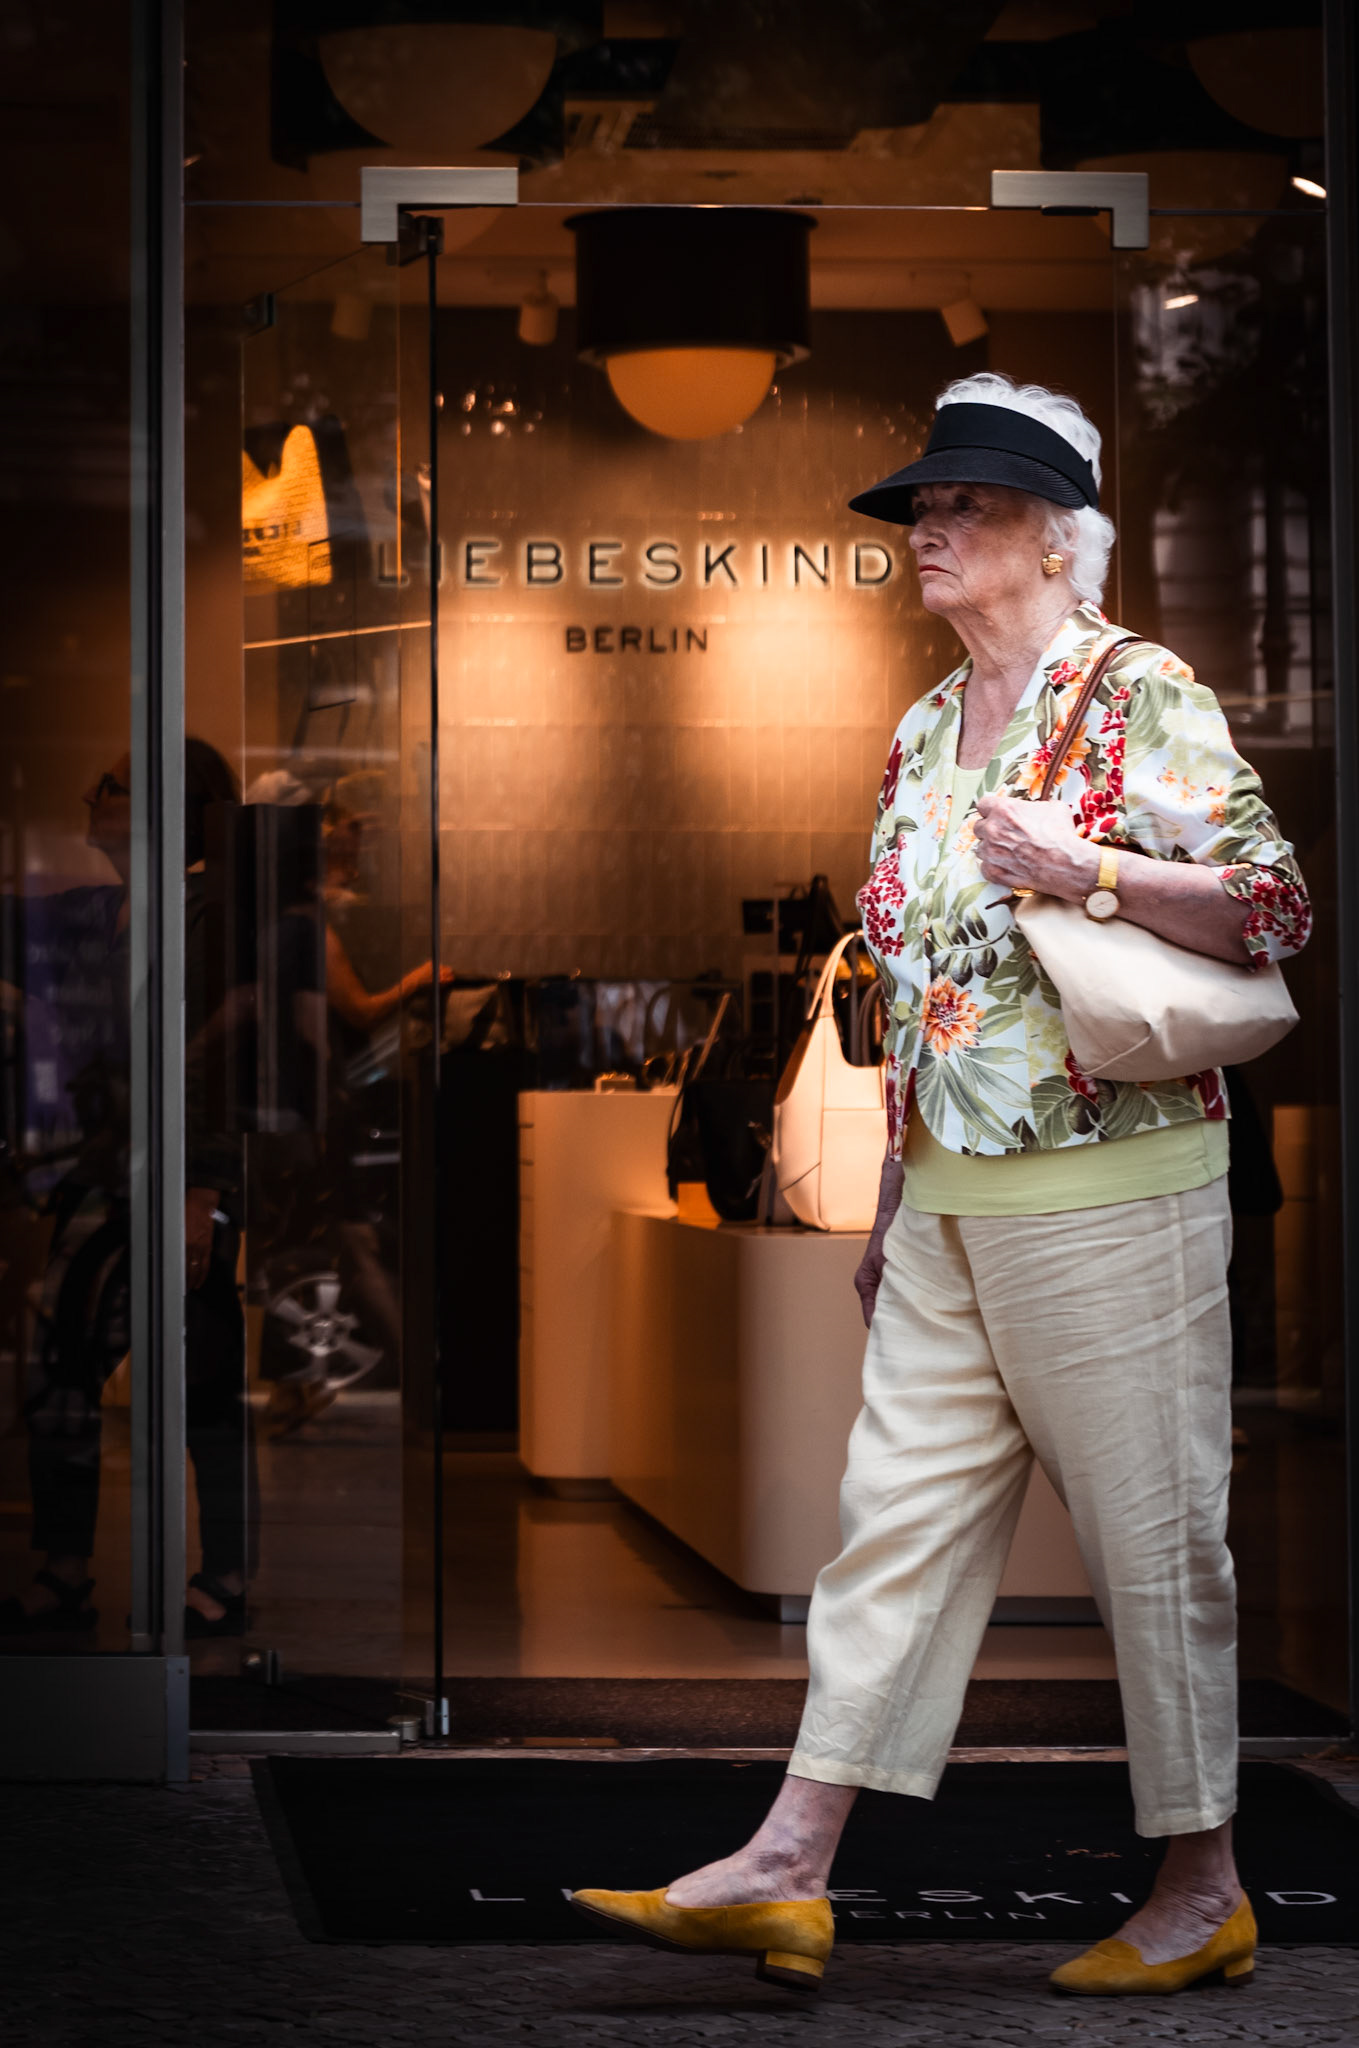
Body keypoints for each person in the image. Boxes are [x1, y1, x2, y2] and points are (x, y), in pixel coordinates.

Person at [571, 374, 1311, 1997]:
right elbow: (914, 983)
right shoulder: (921, 726)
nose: (926, 527)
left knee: (1147, 1544)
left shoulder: (1133, 695)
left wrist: (1092, 867)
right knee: (886, 1532)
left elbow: (1272, 909)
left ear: (1052, 540)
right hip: (951, 1205)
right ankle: (787, 1860)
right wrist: (895, 1182)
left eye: (959, 504)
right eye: (919, 505)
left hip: (1114, 1183)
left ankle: (1202, 1889)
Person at [0, 738, 253, 1638]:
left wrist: (202, 1195)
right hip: (103, 1181)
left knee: (200, 1375)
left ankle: (223, 1567)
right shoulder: (101, 912)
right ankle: (64, 1567)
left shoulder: (207, 916)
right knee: (61, 1370)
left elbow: (225, 1065)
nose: (85, 793)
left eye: (106, 785)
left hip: (181, 1182)